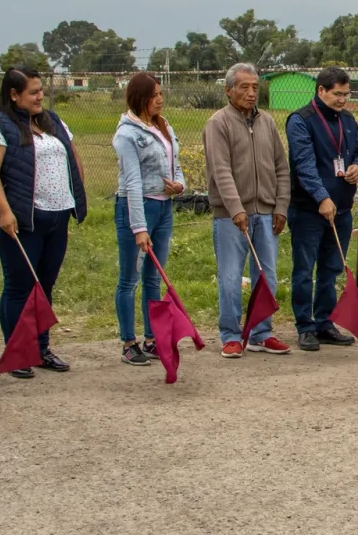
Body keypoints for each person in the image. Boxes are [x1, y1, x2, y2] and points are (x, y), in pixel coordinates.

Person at [0, 68, 88, 379]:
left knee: (44, 286)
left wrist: (76, 190)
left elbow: (72, 155)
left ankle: (40, 348)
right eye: (33, 92)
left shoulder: (51, 121)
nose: (40, 96)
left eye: (41, 90)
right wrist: (4, 211)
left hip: (57, 215)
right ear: (14, 95)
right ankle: (17, 351)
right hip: (21, 219)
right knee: (19, 287)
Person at [204, 63, 293, 358]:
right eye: (244, 87)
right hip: (231, 216)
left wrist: (281, 206)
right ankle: (231, 335)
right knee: (230, 277)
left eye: (255, 87)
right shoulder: (218, 123)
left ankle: (261, 332)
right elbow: (221, 170)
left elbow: (281, 166)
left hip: (266, 212)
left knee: (266, 274)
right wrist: (235, 208)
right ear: (228, 90)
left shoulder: (267, 122)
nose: (251, 93)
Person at [286, 67, 358, 351]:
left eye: (347, 94)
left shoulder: (347, 119)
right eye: (337, 94)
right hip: (309, 210)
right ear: (321, 91)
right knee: (305, 269)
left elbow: (357, 151)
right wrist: (321, 196)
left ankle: (324, 323)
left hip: (341, 209)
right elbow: (304, 164)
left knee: (330, 270)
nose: (343, 99)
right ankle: (304, 326)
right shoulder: (301, 120)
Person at [112, 72, 186, 366]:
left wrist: (179, 185)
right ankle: (129, 342)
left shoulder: (164, 125)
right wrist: (139, 227)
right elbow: (131, 182)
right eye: (154, 94)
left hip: (164, 207)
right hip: (136, 207)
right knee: (130, 279)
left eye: (161, 93)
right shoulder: (126, 134)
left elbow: (174, 163)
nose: (160, 99)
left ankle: (152, 338)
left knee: (154, 276)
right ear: (140, 98)